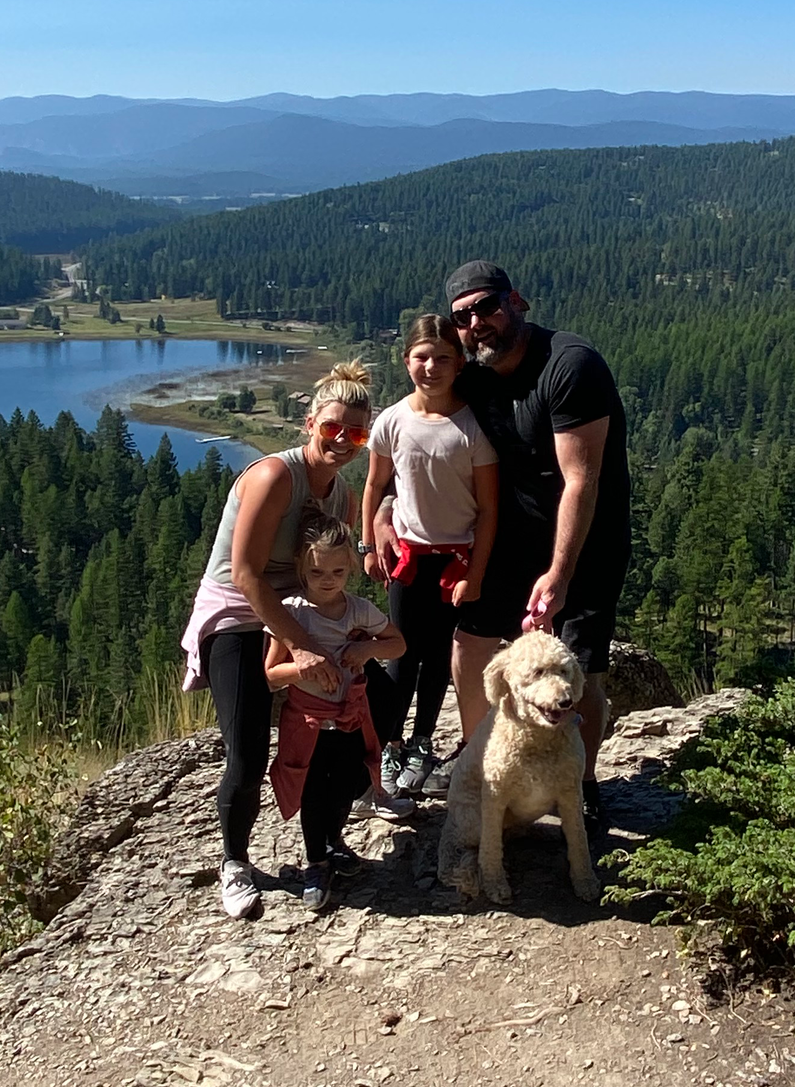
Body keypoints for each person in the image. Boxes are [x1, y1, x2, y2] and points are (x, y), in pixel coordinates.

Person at [396, 260, 631, 829]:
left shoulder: (571, 365)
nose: (477, 322)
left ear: (517, 301)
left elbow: (582, 479)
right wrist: (382, 510)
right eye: (463, 316)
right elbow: (419, 437)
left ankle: (580, 780)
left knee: (581, 669)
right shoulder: (473, 376)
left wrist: (559, 571)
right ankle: (481, 758)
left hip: (587, 543)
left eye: (486, 306)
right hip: (507, 538)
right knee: (472, 646)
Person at [180, 360, 372, 919]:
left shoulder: (340, 493)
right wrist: (305, 648)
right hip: (240, 616)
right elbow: (245, 574)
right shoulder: (273, 477)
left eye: (356, 433)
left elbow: (333, 567)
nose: (342, 440)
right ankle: (235, 861)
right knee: (246, 748)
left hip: (299, 614)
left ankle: (327, 838)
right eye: (332, 427)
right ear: (309, 422)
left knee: (354, 718)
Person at [360, 314, 499, 794]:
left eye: (443, 358)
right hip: (408, 557)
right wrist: (367, 543)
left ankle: (423, 741)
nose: (431, 367)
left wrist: (476, 574)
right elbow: (376, 484)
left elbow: (488, 510)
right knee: (401, 653)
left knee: (439, 656)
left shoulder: (472, 428)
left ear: (459, 364)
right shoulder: (393, 420)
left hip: (454, 561)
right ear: (406, 362)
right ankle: (391, 747)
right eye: (421, 357)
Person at [263, 516, 407, 909]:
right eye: (316, 571)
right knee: (312, 791)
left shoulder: (358, 610)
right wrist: (304, 667)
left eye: (339, 571)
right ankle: (316, 862)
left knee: (345, 784)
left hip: (349, 718)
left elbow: (397, 645)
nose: (328, 580)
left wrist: (367, 650)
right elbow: (273, 673)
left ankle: (333, 842)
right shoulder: (290, 613)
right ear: (301, 568)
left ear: (350, 568)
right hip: (306, 723)